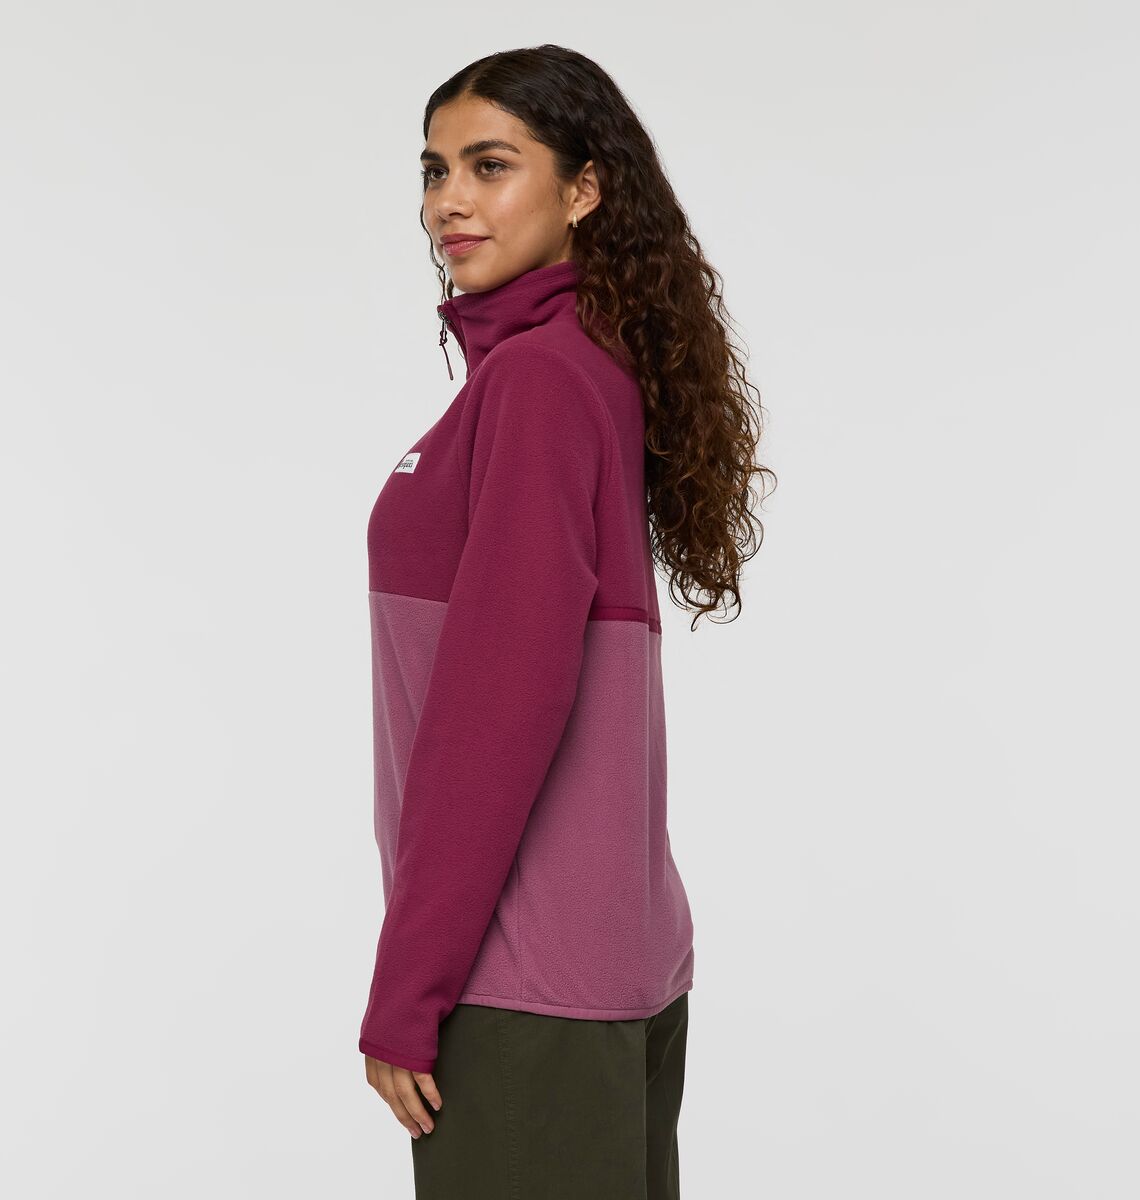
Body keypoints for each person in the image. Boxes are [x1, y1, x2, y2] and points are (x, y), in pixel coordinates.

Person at [358, 44, 775, 1199]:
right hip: (606, 964)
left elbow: (501, 706)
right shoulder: (586, 369)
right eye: (435, 169)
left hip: (520, 984)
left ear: (584, 188)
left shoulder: (541, 381)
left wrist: (409, 988)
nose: (449, 200)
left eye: (490, 166)